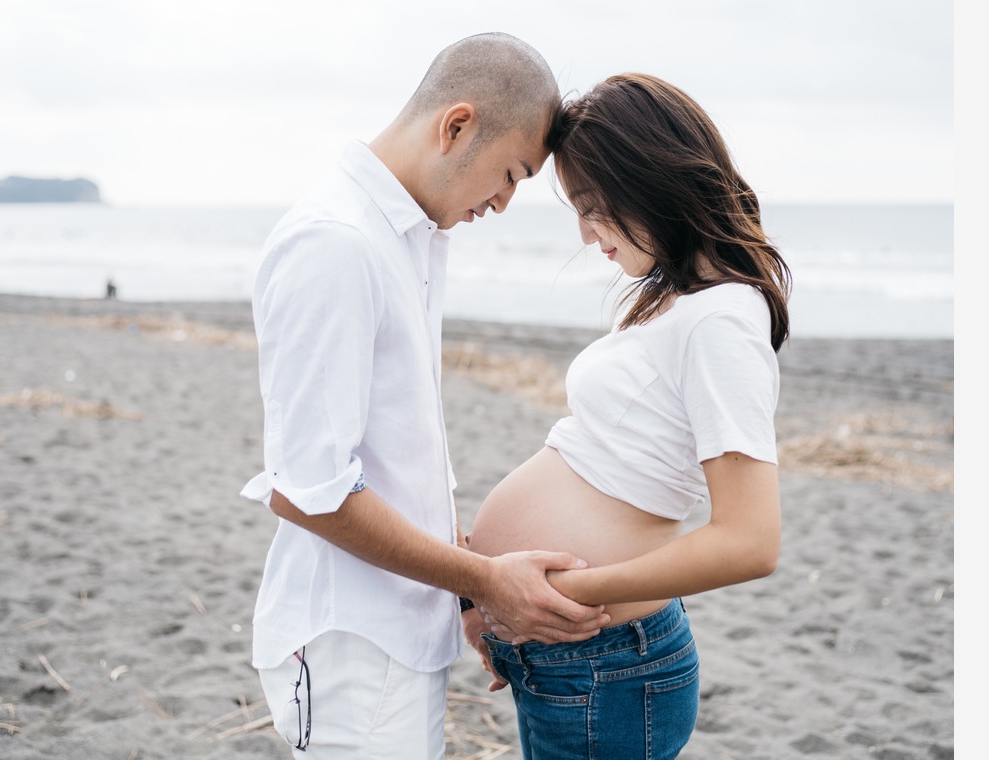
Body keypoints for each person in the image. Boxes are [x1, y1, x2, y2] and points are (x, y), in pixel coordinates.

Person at [239, 33, 610, 760]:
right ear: (457, 126)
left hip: (399, 627)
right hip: (353, 643)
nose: (504, 202)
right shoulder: (337, 243)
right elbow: (306, 489)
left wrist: (466, 595)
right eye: (510, 174)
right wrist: (485, 580)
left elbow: (397, 450)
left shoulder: (409, 236)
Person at [463, 72, 792, 759]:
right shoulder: (675, 299)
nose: (586, 233)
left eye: (593, 206)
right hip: (578, 660)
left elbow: (749, 541)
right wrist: (489, 597)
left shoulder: (722, 319)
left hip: (604, 662)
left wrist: (555, 596)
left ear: (651, 177)